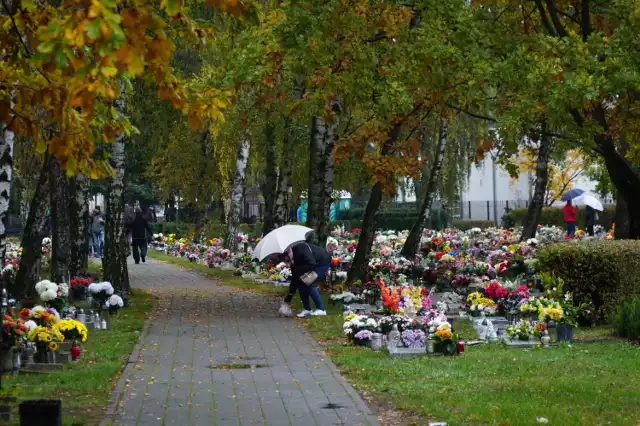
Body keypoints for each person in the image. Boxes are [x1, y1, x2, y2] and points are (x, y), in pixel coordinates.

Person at [283, 242, 330, 318]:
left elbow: (311, 264)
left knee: (308, 282)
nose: (288, 264)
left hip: (322, 262)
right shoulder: (293, 260)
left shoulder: (301, 249)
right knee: (301, 283)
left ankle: (321, 310)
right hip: (312, 264)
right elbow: (295, 278)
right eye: (286, 262)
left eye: (288, 260)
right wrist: (290, 294)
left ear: (289, 253)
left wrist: (299, 271)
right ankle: (307, 309)